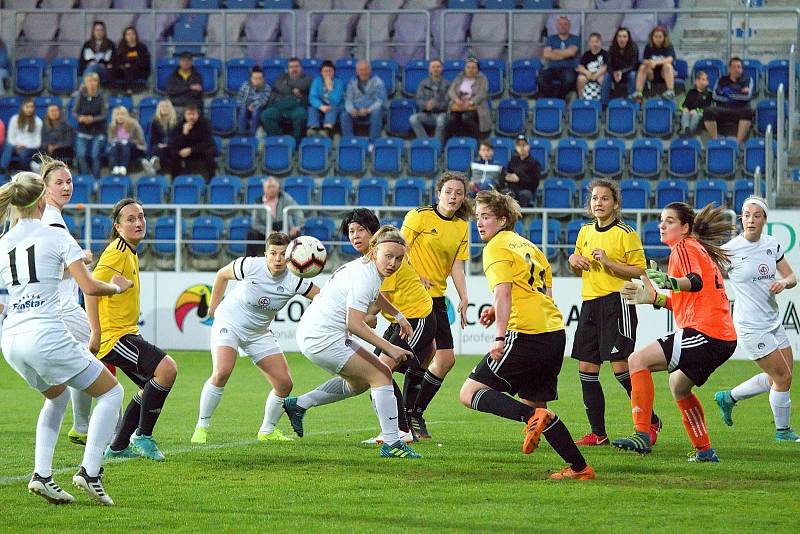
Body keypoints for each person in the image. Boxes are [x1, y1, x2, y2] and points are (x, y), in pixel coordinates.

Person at [0, 171, 132, 505]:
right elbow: (89, 287)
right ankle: (90, 471)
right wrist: (116, 287)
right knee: (112, 393)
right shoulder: (56, 236)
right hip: (45, 335)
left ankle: (41, 476)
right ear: (41, 198)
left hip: (11, 340)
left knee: (56, 397)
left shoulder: (4, 243)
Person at [459, 189, 595, 480]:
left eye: (486, 217)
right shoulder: (530, 246)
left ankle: (531, 418)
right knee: (537, 404)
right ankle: (580, 468)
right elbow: (541, 291)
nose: (479, 223)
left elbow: (504, 291)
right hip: (553, 332)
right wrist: (498, 311)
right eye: (477, 217)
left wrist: (499, 336)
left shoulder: (496, 247)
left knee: (469, 392)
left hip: (526, 333)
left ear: (503, 219)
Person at [284, 209, 436, 445]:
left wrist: (398, 314)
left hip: (315, 335)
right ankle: (394, 441)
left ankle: (299, 404)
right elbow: (354, 323)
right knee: (381, 374)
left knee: (360, 383)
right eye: (389, 257)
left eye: (399, 258)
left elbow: (375, 298)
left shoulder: (367, 268)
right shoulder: (366, 274)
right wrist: (390, 348)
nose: (394, 263)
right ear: (376, 249)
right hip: (323, 338)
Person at [613, 203, 737, 462]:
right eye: (661, 220)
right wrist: (655, 299)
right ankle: (705, 451)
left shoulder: (685, 247)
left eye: (669, 221)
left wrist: (668, 283)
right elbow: (687, 298)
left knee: (637, 360)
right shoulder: (692, 249)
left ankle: (642, 433)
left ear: (685, 228)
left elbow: (695, 282)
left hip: (707, 332)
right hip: (721, 337)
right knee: (678, 385)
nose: (662, 225)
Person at [191, 232, 321, 444]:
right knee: (222, 371)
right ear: (265, 254)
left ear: (290, 256)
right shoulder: (250, 265)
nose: (277, 259)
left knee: (284, 384)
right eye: (273, 253)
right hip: (229, 323)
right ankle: (202, 426)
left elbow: (322, 297)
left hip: (258, 333)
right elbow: (221, 275)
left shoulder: (295, 280)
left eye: (282, 254)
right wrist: (213, 307)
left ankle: (267, 431)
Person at [568, 179, 661, 447]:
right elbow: (578, 265)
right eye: (595, 198)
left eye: (605, 198)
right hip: (590, 303)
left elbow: (639, 270)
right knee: (586, 367)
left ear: (615, 203)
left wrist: (608, 262)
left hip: (617, 302)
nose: (599, 202)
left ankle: (650, 420)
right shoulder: (584, 231)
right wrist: (575, 261)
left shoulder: (625, 232)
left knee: (621, 367)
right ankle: (598, 434)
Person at [86, 198, 178, 462]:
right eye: (130, 219)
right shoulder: (116, 252)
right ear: (117, 226)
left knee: (151, 386)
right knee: (167, 369)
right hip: (115, 337)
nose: (138, 222)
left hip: (125, 333)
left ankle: (117, 447)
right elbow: (90, 288)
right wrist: (96, 332)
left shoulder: (129, 250)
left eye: (141, 216)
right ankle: (143, 436)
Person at [714, 197, 798, 442]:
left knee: (780, 377)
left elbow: (791, 276)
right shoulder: (730, 250)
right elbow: (709, 279)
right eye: (746, 215)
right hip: (750, 326)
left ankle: (728, 397)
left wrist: (783, 282)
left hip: (773, 321)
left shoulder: (772, 244)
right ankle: (783, 432)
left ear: (764, 220)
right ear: (741, 218)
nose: (750, 220)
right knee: (783, 378)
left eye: (756, 215)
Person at [401, 171, 471, 439]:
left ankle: (414, 412)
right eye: (448, 191)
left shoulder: (461, 226)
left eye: (458, 193)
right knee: (419, 355)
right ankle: (405, 416)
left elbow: (456, 264)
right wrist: (415, 274)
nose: (453, 196)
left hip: (438, 297)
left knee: (445, 359)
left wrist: (464, 296)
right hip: (413, 294)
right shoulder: (418, 216)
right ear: (438, 193)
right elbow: (398, 248)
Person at [38, 156, 98, 447]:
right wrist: (82, 260)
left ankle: (82, 426)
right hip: (61, 306)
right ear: (45, 187)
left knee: (78, 364)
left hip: (54, 306)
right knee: (94, 354)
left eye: (69, 181)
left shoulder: (48, 216)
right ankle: (93, 429)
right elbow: (49, 268)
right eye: (59, 182)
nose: (66, 187)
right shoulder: (51, 220)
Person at [245, 177, 303, 257]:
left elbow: (297, 211)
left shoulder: (285, 197)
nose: (272, 189)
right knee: (251, 234)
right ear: (264, 189)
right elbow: (255, 223)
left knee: (297, 234)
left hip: (284, 227)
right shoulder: (258, 202)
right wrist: (267, 231)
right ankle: (250, 262)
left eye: (274, 186)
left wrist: (296, 226)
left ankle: (298, 261)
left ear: (278, 187)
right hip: (265, 230)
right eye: (269, 187)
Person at [703, 57, 755, 144]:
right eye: (734, 67)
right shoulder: (721, 80)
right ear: (729, 69)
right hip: (723, 110)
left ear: (742, 69)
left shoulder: (748, 80)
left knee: (749, 112)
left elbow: (747, 96)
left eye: (739, 67)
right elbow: (715, 95)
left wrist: (726, 94)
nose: (736, 69)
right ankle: (715, 141)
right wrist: (738, 93)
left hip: (740, 110)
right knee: (708, 111)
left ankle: (737, 144)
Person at [260, 58, 312, 142]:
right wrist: (292, 90)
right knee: (266, 115)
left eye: (296, 66)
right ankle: (278, 141)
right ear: (287, 69)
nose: (294, 69)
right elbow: (277, 85)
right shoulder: (282, 77)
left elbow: (303, 85)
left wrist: (287, 83)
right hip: (279, 106)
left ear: (301, 68)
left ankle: (296, 144)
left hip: (296, 107)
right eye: (291, 67)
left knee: (301, 115)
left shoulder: (307, 78)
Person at [444, 58, 491, 142]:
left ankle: (478, 141)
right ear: (465, 68)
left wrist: (470, 102)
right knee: (451, 119)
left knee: (466, 117)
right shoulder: (459, 77)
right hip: (458, 105)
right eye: (468, 67)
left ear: (477, 69)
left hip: (476, 107)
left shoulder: (482, 78)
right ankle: (449, 144)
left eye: (473, 67)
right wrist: (456, 99)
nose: (470, 70)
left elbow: (482, 94)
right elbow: (451, 90)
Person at [167, 103, 217, 181]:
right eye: (189, 114)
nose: (191, 117)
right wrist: (184, 134)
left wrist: (191, 150)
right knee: (172, 153)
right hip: (184, 152)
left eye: (193, 114)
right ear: (185, 115)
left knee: (209, 151)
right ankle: (175, 182)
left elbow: (207, 142)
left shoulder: (205, 124)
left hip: (200, 151)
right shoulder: (179, 126)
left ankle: (211, 181)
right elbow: (174, 144)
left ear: (197, 114)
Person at [72, 72, 108, 179]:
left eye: (94, 81)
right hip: (83, 130)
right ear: (85, 83)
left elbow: (104, 114)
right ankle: (86, 178)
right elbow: (74, 111)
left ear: (98, 83)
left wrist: (92, 119)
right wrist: (79, 118)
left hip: (98, 131)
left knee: (95, 155)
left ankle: (96, 179)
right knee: (81, 155)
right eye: (89, 81)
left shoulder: (102, 96)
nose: (91, 83)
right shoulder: (81, 94)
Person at [341, 60, 387, 143]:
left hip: (372, 111)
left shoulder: (378, 81)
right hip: (357, 111)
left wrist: (368, 110)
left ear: (370, 70)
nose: (363, 72)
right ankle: (350, 142)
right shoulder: (352, 82)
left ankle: (372, 143)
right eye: (361, 70)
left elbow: (381, 101)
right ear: (357, 71)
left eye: (365, 69)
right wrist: (351, 110)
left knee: (377, 112)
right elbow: (348, 100)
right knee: (344, 115)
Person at [537, 16, 580, 99]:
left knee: (569, 79)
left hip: (568, 68)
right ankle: (551, 99)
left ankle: (559, 99)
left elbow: (571, 53)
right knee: (540, 79)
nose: (563, 26)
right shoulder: (551, 39)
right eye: (560, 24)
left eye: (565, 24)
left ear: (569, 26)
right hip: (552, 68)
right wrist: (564, 54)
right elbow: (546, 54)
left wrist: (554, 52)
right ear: (556, 26)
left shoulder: (575, 39)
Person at [409, 59, 450, 143]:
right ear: (429, 69)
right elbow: (419, 99)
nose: (436, 69)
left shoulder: (447, 84)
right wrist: (426, 105)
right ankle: (426, 143)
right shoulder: (423, 83)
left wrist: (436, 105)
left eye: (438, 67)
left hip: (442, 114)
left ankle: (437, 145)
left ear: (442, 69)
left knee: (440, 120)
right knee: (413, 119)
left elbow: (448, 103)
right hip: (427, 114)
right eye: (433, 67)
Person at [632, 26, 676, 101]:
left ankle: (670, 91)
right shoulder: (648, 47)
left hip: (664, 74)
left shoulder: (669, 46)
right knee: (643, 67)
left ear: (664, 37)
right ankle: (638, 92)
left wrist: (656, 63)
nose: (658, 39)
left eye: (660, 37)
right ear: (652, 37)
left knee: (668, 66)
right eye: (655, 37)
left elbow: (670, 59)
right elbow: (645, 60)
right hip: (652, 74)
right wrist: (649, 63)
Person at [0, 98, 42, 173]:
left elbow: (38, 142)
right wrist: (17, 145)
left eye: (32, 107)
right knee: (8, 145)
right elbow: (10, 137)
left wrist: (25, 145)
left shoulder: (38, 121)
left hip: (30, 147)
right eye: (27, 107)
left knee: (23, 152)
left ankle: (24, 172)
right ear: (23, 107)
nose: (29, 109)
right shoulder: (14, 119)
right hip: (14, 145)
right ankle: (2, 169)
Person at [499, 135, 539, 208]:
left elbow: (535, 183)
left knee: (524, 195)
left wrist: (519, 179)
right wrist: (506, 177)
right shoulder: (513, 160)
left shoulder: (534, 163)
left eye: (523, 145)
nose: (521, 147)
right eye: (519, 145)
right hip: (512, 189)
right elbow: (506, 174)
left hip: (526, 190)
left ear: (528, 147)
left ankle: (520, 216)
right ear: (516, 147)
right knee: (505, 193)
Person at [307, 60, 344, 137]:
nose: (327, 73)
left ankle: (327, 129)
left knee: (332, 108)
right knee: (312, 108)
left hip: (335, 106)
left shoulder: (339, 82)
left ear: (334, 72)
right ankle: (313, 129)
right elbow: (312, 97)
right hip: (321, 105)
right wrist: (320, 106)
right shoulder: (317, 81)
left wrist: (330, 89)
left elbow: (336, 100)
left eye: (330, 71)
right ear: (321, 72)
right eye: (325, 71)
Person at [107, 106, 146, 176]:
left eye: (122, 114)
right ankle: (115, 167)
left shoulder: (133, 123)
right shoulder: (112, 126)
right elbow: (110, 140)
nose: (120, 116)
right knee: (115, 145)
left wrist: (128, 141)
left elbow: (141, 140)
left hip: (134, 148)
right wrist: (118, 141)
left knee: (125, 143)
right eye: (118, 114)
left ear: (126, 115)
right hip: (118, 148)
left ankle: (123, 167)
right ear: (114, 116)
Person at [112, 26, 151, 94]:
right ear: (125, 36)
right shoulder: (121, 48)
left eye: (133, 34)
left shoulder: (142, 47)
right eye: (128, 34)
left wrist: (132, 65)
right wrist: (122, 66)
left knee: (129, 68)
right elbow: (117, 62)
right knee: (112, 69)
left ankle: (129, 90)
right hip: (123, 71)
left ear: (136, 35)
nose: (131, 36)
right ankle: (112, 90)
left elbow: (145, 62)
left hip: (139, 71)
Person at [144, 98, 178, 173]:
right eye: (162, 106)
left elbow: (178, 137)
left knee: (164, 151)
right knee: (157, 149)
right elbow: (151, 139)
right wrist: (159, 145)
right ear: (159, 108)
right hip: (159, 147)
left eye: (166, 106)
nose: (164, 108)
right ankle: (153, 162)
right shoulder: (154, 122)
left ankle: (153, 165)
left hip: (172, 147)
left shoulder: (176, 122)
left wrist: (167, 144)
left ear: (170, 108)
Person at [237, 66, 271, 135]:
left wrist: (253, 105)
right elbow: (239, 100)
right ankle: (241, 134)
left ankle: (252, 134)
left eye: (260, 78)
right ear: (251, 78)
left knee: (256, 109)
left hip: (260, 108)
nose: (257, 80)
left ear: (263, 79)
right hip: (246, 107)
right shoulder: (245, 85)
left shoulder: (267, 87)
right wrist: (247, 106)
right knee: (242, 110)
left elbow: (263, 101)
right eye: (255, 78)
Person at [607, 27, 639, 100]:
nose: (622, 39)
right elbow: (609, 65)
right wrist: (613, 73)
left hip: (628, 72)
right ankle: (604, 104)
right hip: (616, 73)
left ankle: (631, 101)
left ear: (628, 38)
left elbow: (633, 65)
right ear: (616, 38)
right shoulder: (612, 48)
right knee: (606, 76)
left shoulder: (633, 47)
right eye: (620, 36)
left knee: (632, 75)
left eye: (624, 36)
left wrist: (622, 72)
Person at [576, 33, 609, 101]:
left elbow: (606, 66)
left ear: (600, 42)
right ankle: (581, 98)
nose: (594, 44)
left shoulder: (605, 54)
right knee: (580, 78)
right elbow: (580, 67)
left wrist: (596, 75)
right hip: (588, 75)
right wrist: (587, 73)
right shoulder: (586, 55)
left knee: (603, 79)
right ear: (589, 43)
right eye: (592, 42)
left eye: (597, 42)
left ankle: (602, 100)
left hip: (600, 75)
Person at [679, 71, 712, 137]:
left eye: (704, 79)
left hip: (701, 113)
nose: (701, 81)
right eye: (699, 79)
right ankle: (686, 129)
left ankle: (690, 132)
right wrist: (685, 108)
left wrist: (696, 111)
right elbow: (681, 104)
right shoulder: (690, 92)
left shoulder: (709, 93)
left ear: (707, 82)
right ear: (696, 81)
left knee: (696, 115)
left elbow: (708, 108)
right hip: (689, 113)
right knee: (685, 113)